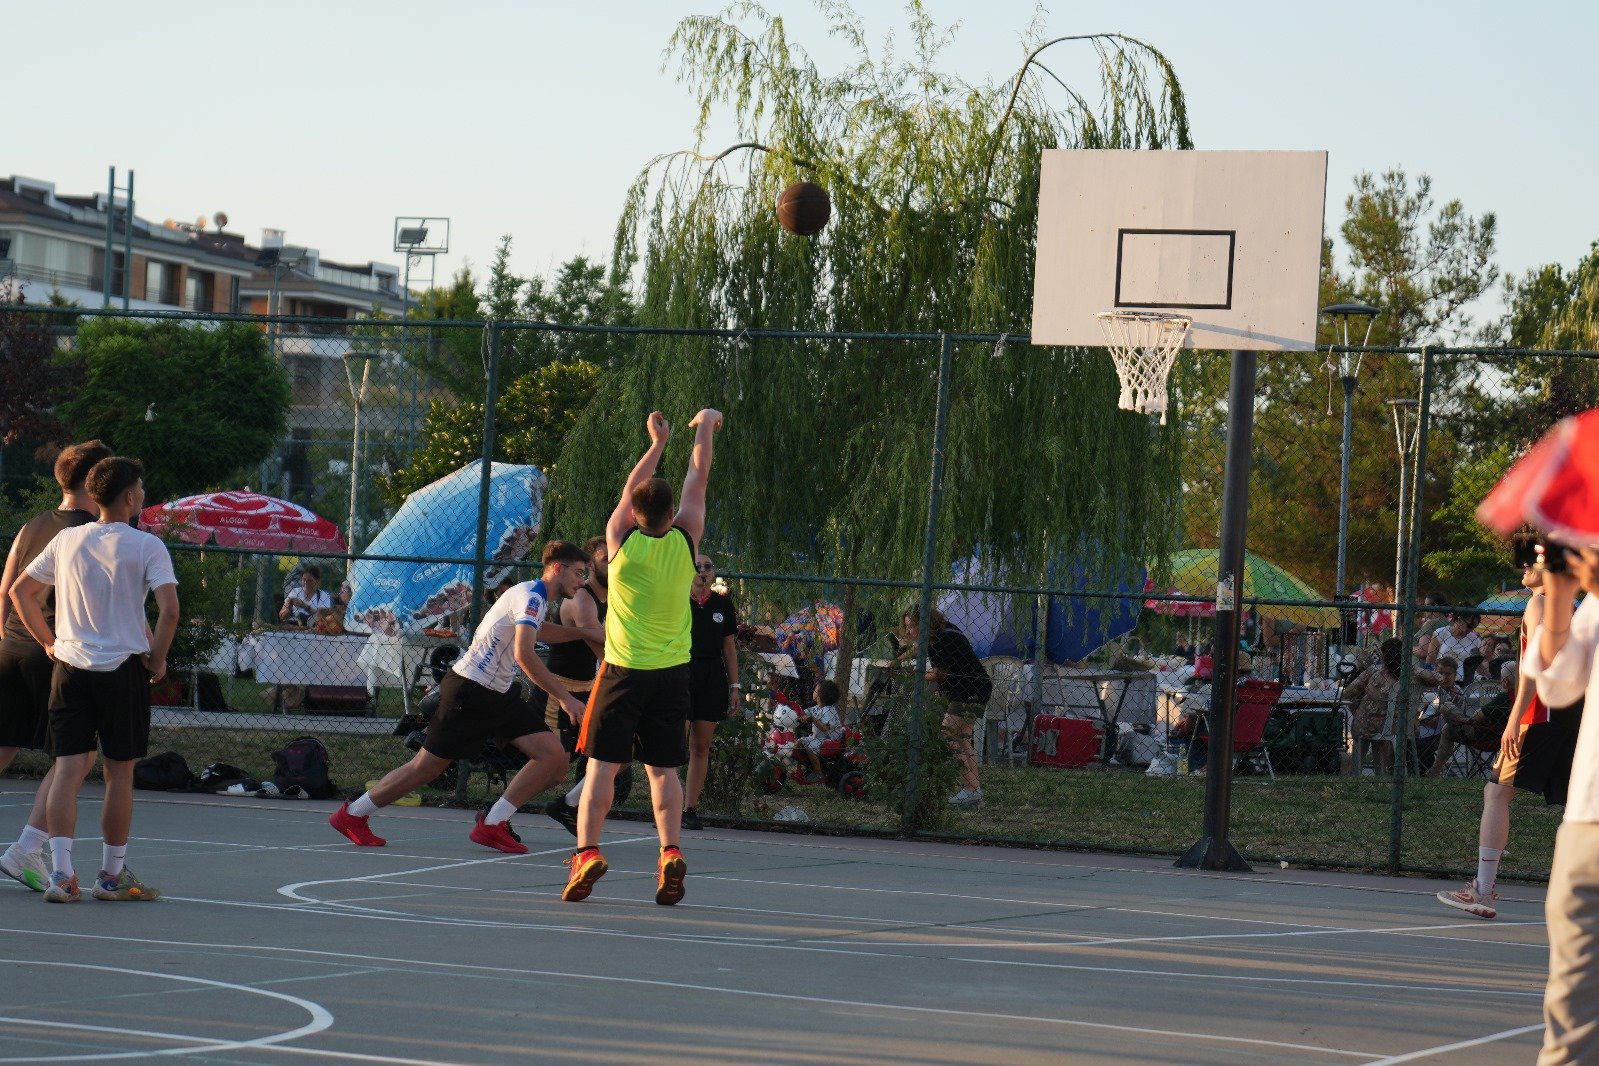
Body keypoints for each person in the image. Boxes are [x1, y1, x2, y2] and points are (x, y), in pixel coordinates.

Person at [328, 541, 592, 853]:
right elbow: (524, 653)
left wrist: (584, 633)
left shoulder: (534, 597)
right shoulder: (531, 595)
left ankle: (493, 823)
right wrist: (565, 697)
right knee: (427, 767)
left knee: (554, 758)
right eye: (578, 573)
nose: (582, 581)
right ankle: (353, 815)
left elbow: (539, 631)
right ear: (558, 568)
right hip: (471, 689)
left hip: (498, 693)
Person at [563, 408, 721, 906]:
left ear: (634, 515)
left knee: (601, 769)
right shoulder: (686, 540)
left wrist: (657, 443)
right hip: (672, 675)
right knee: (663, 771)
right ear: (672, 515)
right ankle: (670, 851)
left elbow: (630, 490)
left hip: (622, 671)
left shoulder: (620, 545)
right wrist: (706, 426)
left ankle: (587, 853)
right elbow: (698, 477)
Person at [8, 456, 178, 904]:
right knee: (119, 773)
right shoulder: (146, 546)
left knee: (67, 769)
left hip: (70, 668)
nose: (143, 494)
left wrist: (49, 642)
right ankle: (111, 875)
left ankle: (62, 875)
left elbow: (19, 591)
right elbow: (170, 610)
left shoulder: (67, 539)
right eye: (140, 488)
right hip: (122, 669)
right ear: (130, 496)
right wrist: (157, 659)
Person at [1440, 549, 1580, 925]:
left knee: (1497, 792)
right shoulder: (1574, 607)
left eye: (1534, 560)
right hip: (1573, 712)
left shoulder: (1541, 604)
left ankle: (1483, 890)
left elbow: (1535, 667)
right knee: (1576, 805)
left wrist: (1515, 716)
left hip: (1542, 710)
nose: (1525, 566)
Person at [0, 440, 113, 892]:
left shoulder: (33, 524)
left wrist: (6, 640)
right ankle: (27, 847)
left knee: (4, 745)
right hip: (54, 651)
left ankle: (27, 847)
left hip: (11, 646)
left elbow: (7, 588)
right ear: (95, 480)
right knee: (77, 756)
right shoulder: (90, 533)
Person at [543, 535, 610, 835]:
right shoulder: (581, 598)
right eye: (606, 560)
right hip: (560, 692)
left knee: (618, 750)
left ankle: (570, 804)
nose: (613, 565)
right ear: (591, 565)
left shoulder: (614, 598)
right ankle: (497, 813)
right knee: (551, 767)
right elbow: (604, 650)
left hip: (589, 689)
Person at [896, 605, 992, 806]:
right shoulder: (941, 632)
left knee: (947, 735)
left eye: (912, 626)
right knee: (963, 739)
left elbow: (939, 674)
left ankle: (970, 789)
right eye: (907, 626)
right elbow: (917, 649)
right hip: (975, 687)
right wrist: (898, 661)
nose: (909, 631)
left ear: (925, 623)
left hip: (968, 690)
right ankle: (975, 790)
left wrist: (912, 674)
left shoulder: (942, 640)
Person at [682, 552, 739, 831]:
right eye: (697, 566)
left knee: (701, 745)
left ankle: (689, 808)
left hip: (711, 676)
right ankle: (665, 805)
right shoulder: (677, 600)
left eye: (708, 566)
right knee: (674, 743)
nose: (703, 570)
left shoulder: (722, 605)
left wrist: (735, 686)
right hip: (680, 672)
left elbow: (729, 647)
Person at [1343, 637, 1406, 776]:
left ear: (1384, 655)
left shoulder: (1374, 671)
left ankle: (1355, 771)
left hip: (1366, 723)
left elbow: (1348, 692)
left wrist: (1357, 706)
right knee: (1380, 732)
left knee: (1364, 720)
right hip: (1394, 726)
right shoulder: (1408, 676)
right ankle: (1383, 772)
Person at [793, 679, 844, 783]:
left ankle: (818, 774)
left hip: (829, 740)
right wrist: (793, 710)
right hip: (818, 738)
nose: (813, 692)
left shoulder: (828, 710)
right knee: (799, 743)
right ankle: (809, 767)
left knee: (809, 746)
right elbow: (803, 712)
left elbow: (825, 727)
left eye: (815, 690)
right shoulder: (817, 708)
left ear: (820, 696)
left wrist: (812, 719)